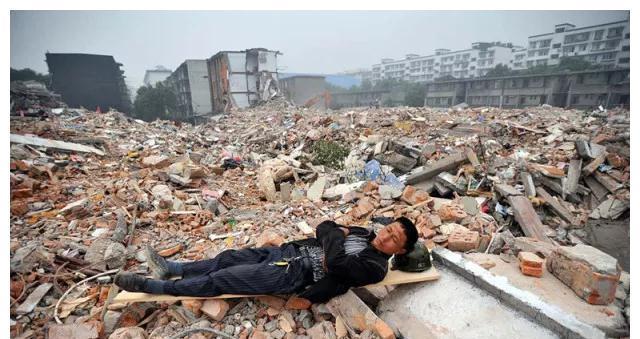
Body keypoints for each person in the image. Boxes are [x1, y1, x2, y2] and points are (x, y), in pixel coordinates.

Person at [115, 217, 418, 307]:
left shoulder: (375, 268)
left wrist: (335, 238)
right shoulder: (364, 233)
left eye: (393, 240)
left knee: (224, 279)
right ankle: (173, 268)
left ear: (400, 251)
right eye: (388, 230)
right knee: (228, 257)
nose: (385, 238)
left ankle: (154, 286)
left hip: (293, 273)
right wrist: (333, 236)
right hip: (286, 252)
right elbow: (324, 226)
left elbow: (337, 262)